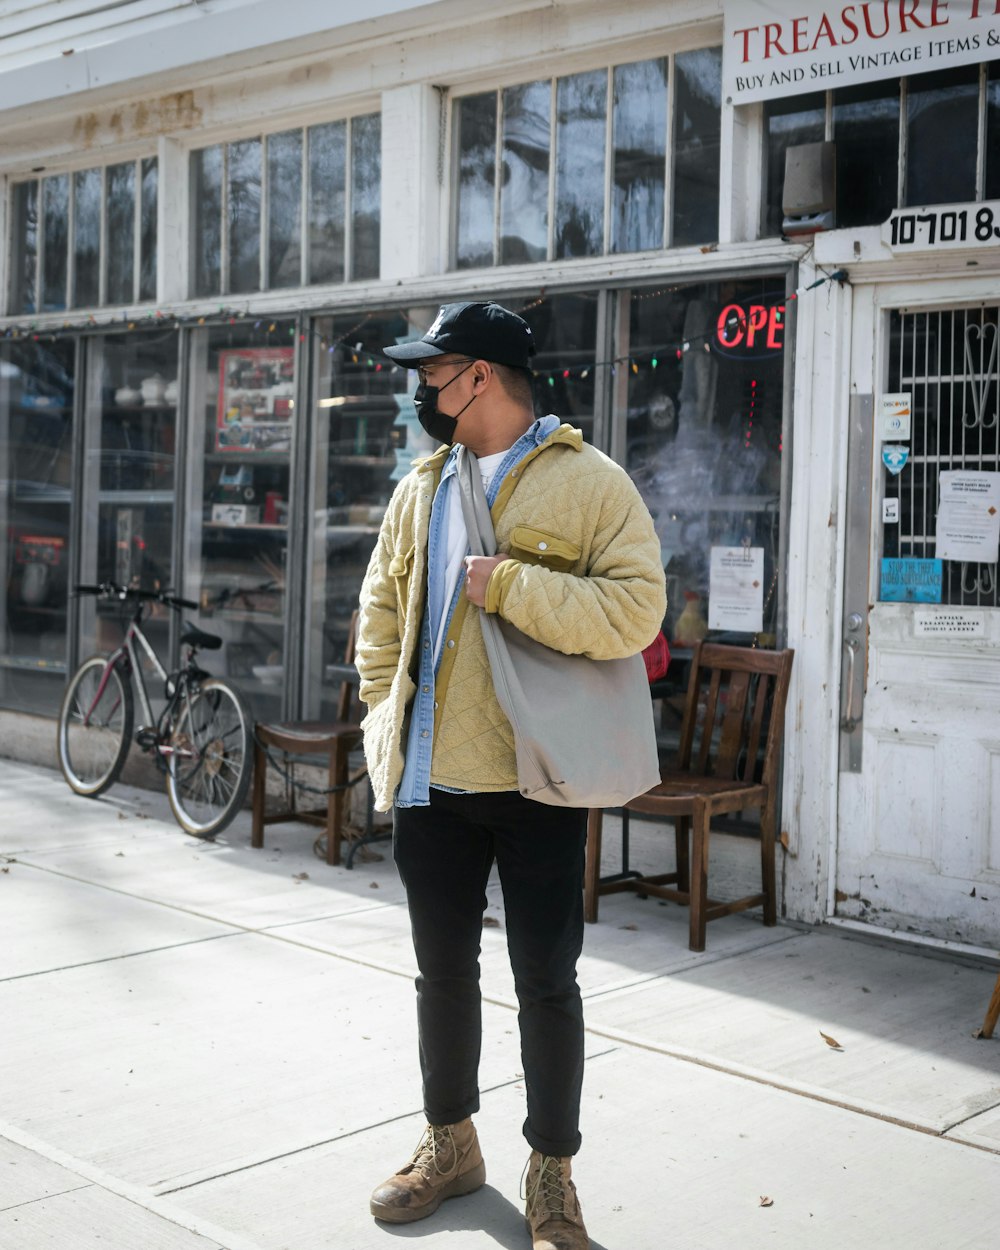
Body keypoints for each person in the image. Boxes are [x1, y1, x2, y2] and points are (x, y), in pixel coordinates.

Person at [356, 301, 666, 1250]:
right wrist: (383, 710)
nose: (421, 389)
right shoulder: (422, 486)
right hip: (430, 786)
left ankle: (552, 1173)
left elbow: (639, 611)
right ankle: (451, 1146)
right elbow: (381, 605)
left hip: (539, 785)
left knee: (547, 981)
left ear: (478, 376)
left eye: (432, 371)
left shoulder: (589, 483)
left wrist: (512, 585)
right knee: (440, 974)